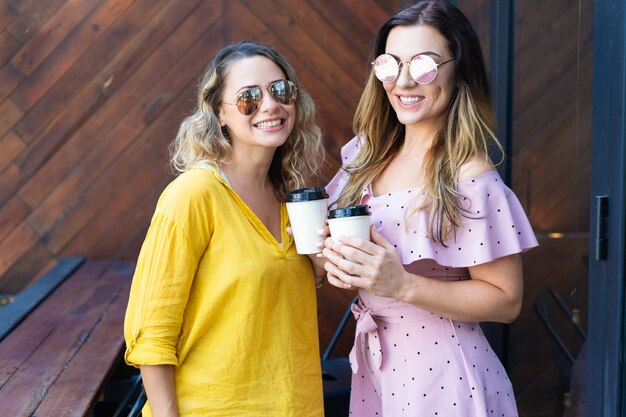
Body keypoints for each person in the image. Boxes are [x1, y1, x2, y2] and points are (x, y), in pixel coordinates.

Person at [320, 1, 539, 416]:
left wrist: (402, 285)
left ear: (460, 70)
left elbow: (506, 301)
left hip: (446, 379)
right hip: (377, 369)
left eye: (424, 65)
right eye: (390, 64)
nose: (403, 81)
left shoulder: (470, 177)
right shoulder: (366, 154)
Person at [124, 41, 326, 417]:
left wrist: (320, 264)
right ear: (220, 113)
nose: (270, 105)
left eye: (280, 90)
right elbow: (151, 333)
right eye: (249, 97)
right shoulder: (194, 194)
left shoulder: (291, 201)